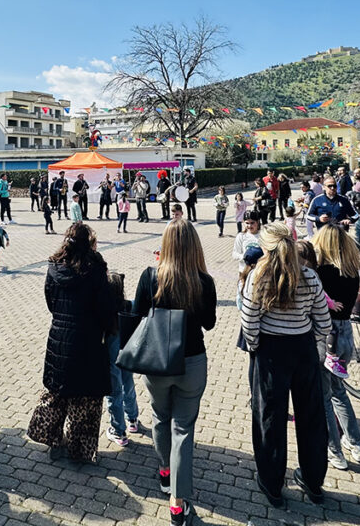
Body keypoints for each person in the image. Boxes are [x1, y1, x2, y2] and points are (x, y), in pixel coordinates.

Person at [241, 222, 331, 509]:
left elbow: (249, 318)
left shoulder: (259, 275)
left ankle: (272, 482)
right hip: (302, 347)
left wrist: (255, 346)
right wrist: (314, 342)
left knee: (270, 417)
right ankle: (314, 481)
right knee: (312, 416)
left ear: (265, 247)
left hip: (271, 350)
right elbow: (323, 319)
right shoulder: (308, 275)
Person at [133, 220, 217, 526]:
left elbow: (137, 314)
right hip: (192, 361)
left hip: (157, 362)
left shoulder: (150, 275)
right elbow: (209, 323)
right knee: (184, 427)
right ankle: (178, 503)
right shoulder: (204, 281)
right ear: (194, 246)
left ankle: (165, 472)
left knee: (159, 416)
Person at [27, 222, 115, 463]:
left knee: (58, 392)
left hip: (59, 339)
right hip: (88, 340)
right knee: (85, 399)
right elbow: (105, 309)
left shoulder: (54, 266)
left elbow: (50, 300)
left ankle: (54, 440)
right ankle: (80, 451)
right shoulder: (95, 269)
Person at [307, 229, 360, 469]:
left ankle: (335, 451)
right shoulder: (352, 271)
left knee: (323, 394)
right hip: (345, 333)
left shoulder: (320, 273)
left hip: (325, 334)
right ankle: (356, 444)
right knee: (339, 391)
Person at [103, 271, 141, 447]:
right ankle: (132, 419)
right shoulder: (129, 306)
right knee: (129, 385)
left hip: (111, 359)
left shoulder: (105, 312)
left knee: (114, 393)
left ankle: (119, 431)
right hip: (127, 354)